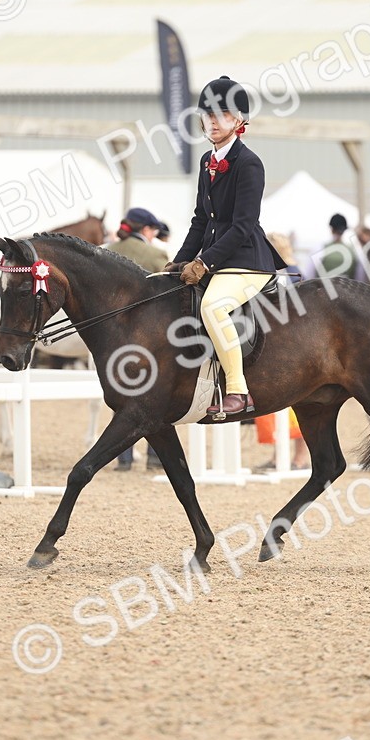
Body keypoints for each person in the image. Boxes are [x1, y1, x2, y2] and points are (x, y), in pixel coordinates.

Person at [164, 75, 286, 417]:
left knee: (213, 308)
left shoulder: (249, 164)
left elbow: (243, 225)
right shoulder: (207, 162)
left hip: (247, 261)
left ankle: (238, 390)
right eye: (208, 114)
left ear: (239, 121)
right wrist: (178, 262)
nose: (213, 121)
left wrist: (204, 263)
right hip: (216, 258)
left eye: (222, 114)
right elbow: (201, 220)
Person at [106, 207, 171, 470]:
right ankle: (155, 456)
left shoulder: (108, 250)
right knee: (156, 394)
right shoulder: (155, 254)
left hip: (112, 335)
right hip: (149, 336)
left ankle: (123, 457)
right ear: (146, 231)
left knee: (122, 394)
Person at [253, 232, 309, 470]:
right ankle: (287, 457)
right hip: (289, 339)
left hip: (284, 340)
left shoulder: (280, 273)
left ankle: (296, 457)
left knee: (293, 402)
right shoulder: (295, 272)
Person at [312, 213, 359, 280]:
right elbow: (359, 276)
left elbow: (310, 275)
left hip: (324, 289)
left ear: (331, 229)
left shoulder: (320, 248)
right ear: (344, 230)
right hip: (347, 289)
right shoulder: (353, 250)